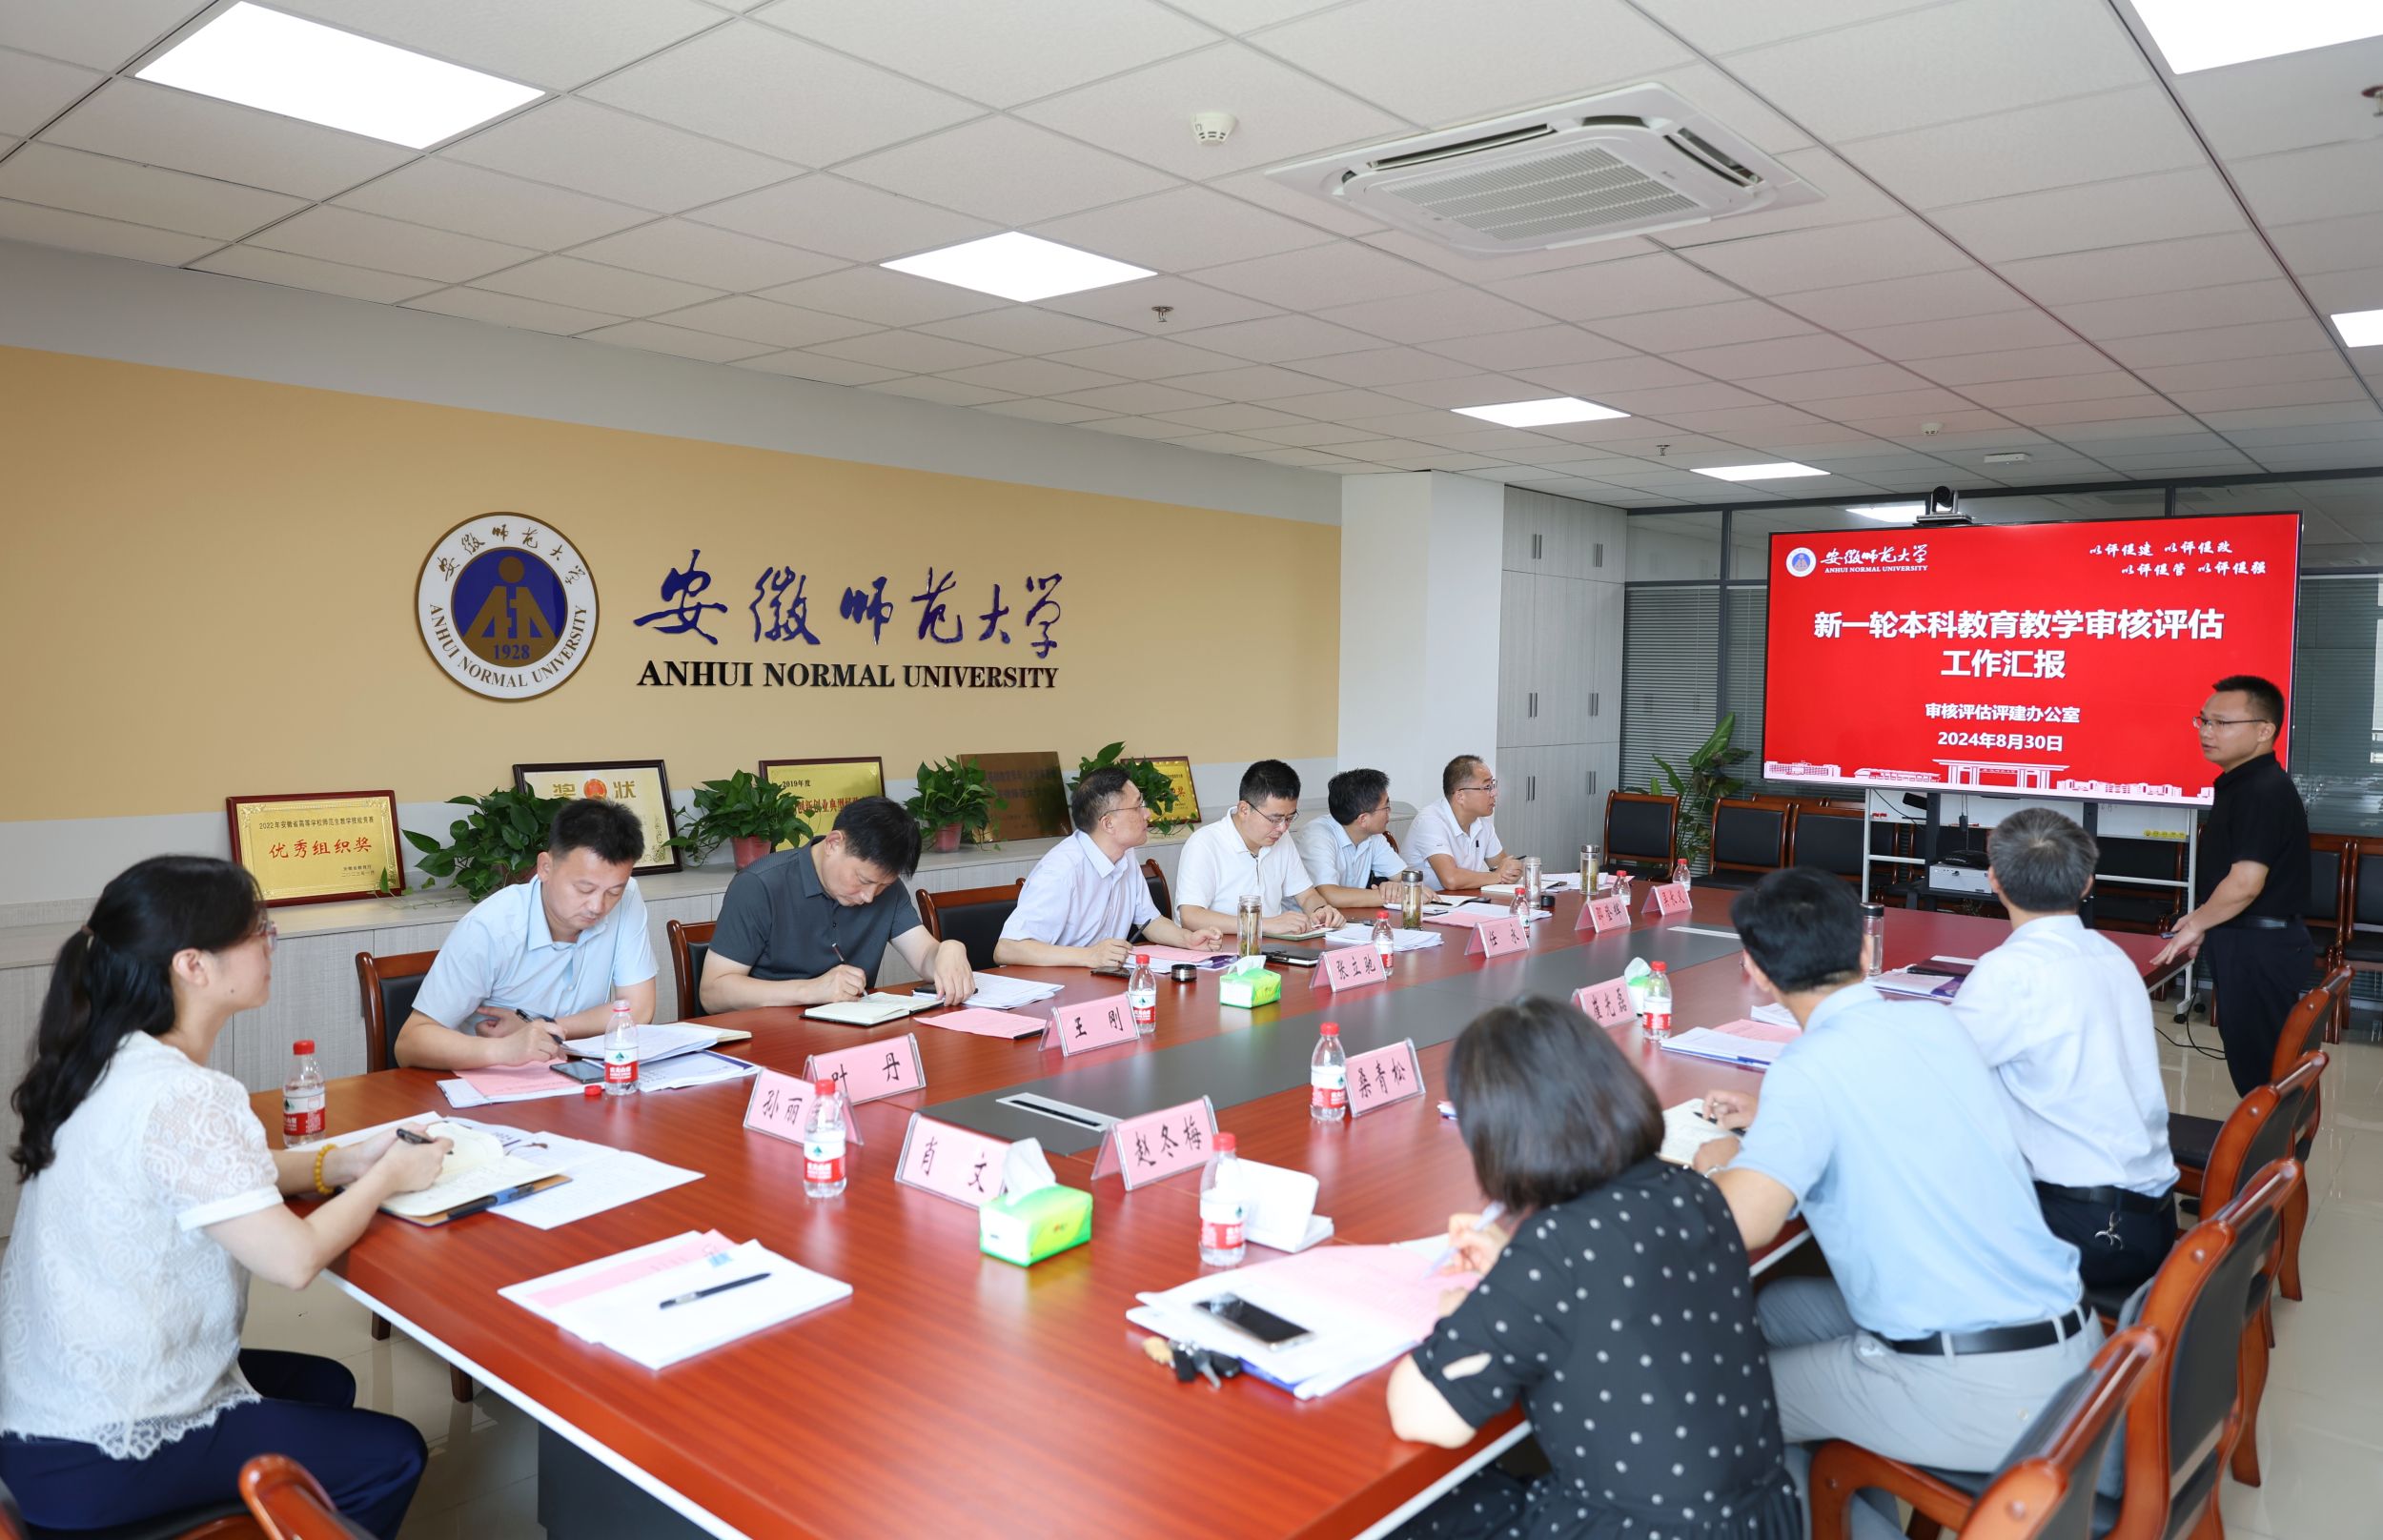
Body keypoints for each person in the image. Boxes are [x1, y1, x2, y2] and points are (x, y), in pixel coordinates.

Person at [0, 857, 446, 1537]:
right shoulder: (186, 1092)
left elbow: (211, 1174)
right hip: (98, 1450)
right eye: (258, 931)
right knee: (396, 1454)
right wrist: (390, 1177)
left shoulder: (106, 1055)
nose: (271, 945)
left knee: (327, 1387)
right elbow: (293, 1261)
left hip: (38, 1410)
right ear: (193, 966)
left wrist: (345, 1162)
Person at [1689, 868, 2096, 1540]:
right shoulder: (1936, 1024)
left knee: (1716, 1412)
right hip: (2068, 1348)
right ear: (1866, 949)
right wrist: (1776, 1125)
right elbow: (1891, 1111)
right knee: (1775, 1309)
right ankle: (1852, 1494)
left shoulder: (1808, 1068)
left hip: (1977, 1390)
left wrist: (1718, 1164)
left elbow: (1747, 1221)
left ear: (1755, 972)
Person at [1387, 996, 1801, 1540]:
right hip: (1763, 1521)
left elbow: (1421, 1416)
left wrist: (1465, 1310)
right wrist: (1511, 1276)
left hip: (1642, 1532)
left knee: (1417, 1518)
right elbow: (1618, 1289)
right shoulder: (1696, 1192)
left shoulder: (1556, 1246)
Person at [1951, 809, 2177, 1292]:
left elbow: (1935, 1077)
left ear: (1993, 879)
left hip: (2086, 1232)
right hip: (2150, 1218)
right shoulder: (2111, 954)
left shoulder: (2008, 971)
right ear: (2087, 883)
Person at [394, 798, 656, 1070]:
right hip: (491, 1080)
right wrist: (506, 1048)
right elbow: (410, 1042)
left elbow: (639, 1010)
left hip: (575, 1075)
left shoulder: (627, 896)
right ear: (545, 867)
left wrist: (542, 1028)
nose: (597, 906)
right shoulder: (489, 929)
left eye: (613, 892)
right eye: (584, 889)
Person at [2150, 675, 2312, 1096]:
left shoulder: (2262, 790)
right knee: (2258, 1069)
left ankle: (2275, 1141)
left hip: (2259, 949)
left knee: (2266, 1079)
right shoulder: (2243, 785)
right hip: (2247, 941)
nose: (2207, 732)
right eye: (2203, 721)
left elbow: (2245, 884)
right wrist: (2205, 922)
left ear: (2264, 731)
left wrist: (2195, 924)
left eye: (2222, 723)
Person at [700, 796, 973, 1013]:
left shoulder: (886, 890)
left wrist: (947, 950)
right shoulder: (759, 885)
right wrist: (811, 990)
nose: (869, 897)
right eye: (863, 880)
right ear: (833, 843)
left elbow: (924, 956)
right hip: (769, 1039)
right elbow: (713, 993)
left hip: (853, 1037)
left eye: (882, 886)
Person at [994, 767, 1225, 967]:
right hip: (1057, 987)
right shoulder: (1061, 870)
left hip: (1100, 980)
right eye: (1138, 807)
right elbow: (1006, 949)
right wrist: (1089, 956)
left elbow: (1149, 921)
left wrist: (1187, 939)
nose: (1147, 813)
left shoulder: (1125, 855)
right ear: (1108, 823)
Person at [1175, 760, 1345, 937]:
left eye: (1289, 818)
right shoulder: (1204, 844)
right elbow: (1191, 916)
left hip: (1272, 945)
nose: (1282, 828)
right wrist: (1262, 924)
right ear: (1244, 810)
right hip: (1219, 948)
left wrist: (1321, 910)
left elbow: (1307, 895)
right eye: (1274, 819)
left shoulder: (1281, 838)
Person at [1293, 768, 1406, 911]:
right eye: (1386, 807)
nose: (1389, 811)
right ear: (1363, 819)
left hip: (1348, 917)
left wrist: (1395, 888)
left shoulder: (1374, 836)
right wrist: (1389, 896)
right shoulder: (1317, 836)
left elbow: (1408, 879)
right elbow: (1330, 895)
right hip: (1304, 920)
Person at [1406, 755, 1522, 893]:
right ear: (1460, 796)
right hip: (1423, 902)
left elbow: (1503, 865)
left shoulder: (1483, 824)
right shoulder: (1430, 820)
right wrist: (1498, 876)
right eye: (1487, 787)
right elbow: (1451, 879)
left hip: (1463, 899)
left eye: (1493, 785)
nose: (1494, 793)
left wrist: (1512, 871)